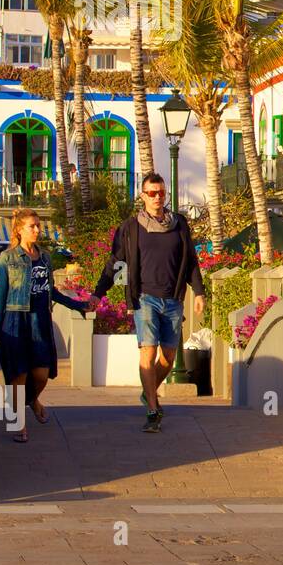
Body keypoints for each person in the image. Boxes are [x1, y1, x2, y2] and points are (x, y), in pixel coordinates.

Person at [91, 172, 205, 433]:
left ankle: (148, 391)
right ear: (142, 196)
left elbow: (190, 262)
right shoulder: (130, 228)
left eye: (161, 192)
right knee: (148, 351)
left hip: (173, 299)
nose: (157, 197)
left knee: (168, 357)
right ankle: (153, 410)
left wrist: (199, 292)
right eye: (152, 193)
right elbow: (114, 263)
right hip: (145, 299)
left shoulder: (179, 224)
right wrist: (99, 293)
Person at [0, 209, 91, 443]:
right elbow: (0, 295)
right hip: (15, 320)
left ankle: (33, 400)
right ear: (19, 230)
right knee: (19, 375)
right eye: (32, 226)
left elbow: (51, 291)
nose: (37, 230)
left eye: (38, 226)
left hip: (40, 319)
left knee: (42, 374)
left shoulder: (44, 257)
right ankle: (19, 424)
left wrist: (77, 305)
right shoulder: (8, 257)